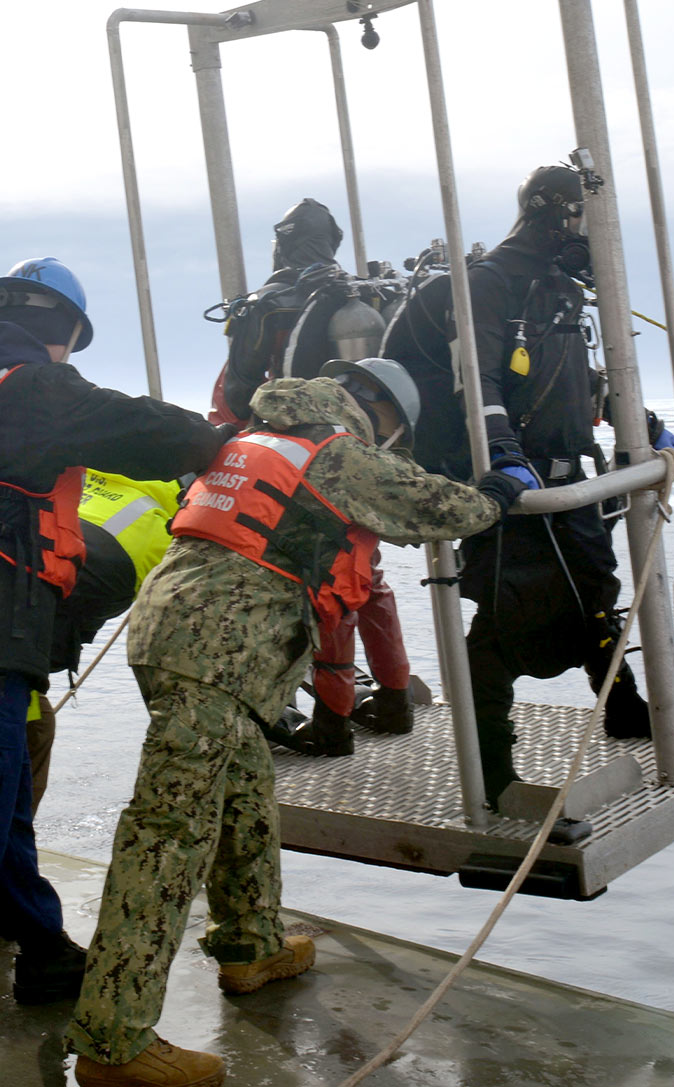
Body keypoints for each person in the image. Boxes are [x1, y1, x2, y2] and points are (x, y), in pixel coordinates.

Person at [66, 366, 525, 1087]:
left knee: (246, 790)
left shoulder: (253, 438)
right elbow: (442, 506)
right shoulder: (336, 452)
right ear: (381, 415)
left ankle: (252, 945)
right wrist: (501, 490)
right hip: (218, 650)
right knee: (167, 833)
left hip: (177, 633)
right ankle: (112, 1039)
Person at [382, 164, 673, 809]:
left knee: (594, 593)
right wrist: (506, 461)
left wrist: (647, 428)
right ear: (551, 216)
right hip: (511, 483)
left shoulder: (556, 290)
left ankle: (622, 710)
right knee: (507, 619)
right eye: (583, 224)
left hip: (568, 472)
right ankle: (492, 770)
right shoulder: (489, 286)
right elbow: (478, 379)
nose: (593, 243)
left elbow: (580, 379)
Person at [0, 255, 230, 1009]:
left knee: (8, 800)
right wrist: (216, 442)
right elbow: (138, 426)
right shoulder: (28, 386)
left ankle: (41, 947)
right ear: (62, 331)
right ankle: (41, 949)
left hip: (16, 645)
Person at [210, 198, 413, 749]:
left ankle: (330, 725)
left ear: (282, 242)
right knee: (366, 579)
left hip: (292, 463)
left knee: (325, 594)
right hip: (363, 451)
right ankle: (393, 698)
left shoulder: (269, 304)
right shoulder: (360, 294)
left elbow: (238, 392)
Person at [27, 471, 182, 816]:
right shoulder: (164, 532)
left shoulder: (77, 476)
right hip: (26, 650)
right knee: (34, 727)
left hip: (25, 602)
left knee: (34, 718)